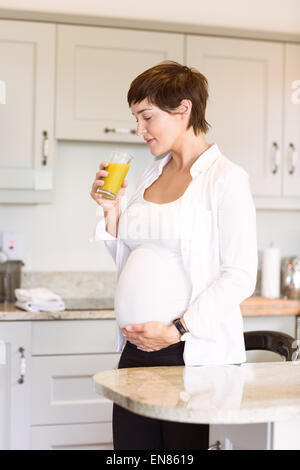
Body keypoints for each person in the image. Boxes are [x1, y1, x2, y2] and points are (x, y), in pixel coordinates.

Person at [90, 61, 258, 450]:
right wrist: (109, 211)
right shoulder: (150, 174)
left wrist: (177, 329)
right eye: (136, 118)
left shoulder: (226, 179)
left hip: (188, 353)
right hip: (135, 349)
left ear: (184, 110)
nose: (139, 130)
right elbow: (129, 255)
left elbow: (239, 276)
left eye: (147, 117)